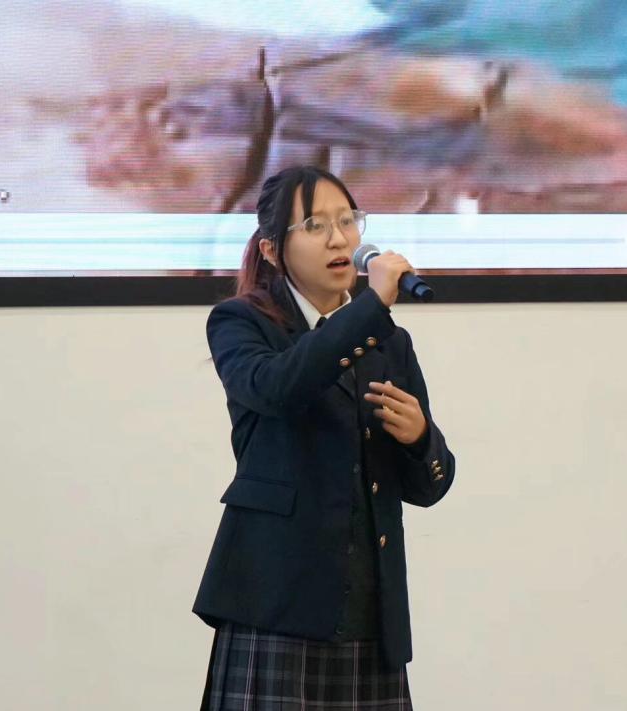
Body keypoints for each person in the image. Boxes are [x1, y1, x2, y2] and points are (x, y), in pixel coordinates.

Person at [194, 165, 456, 710]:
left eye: (347, 221)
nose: (339, 239)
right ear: (272, 250)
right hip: (275, 607)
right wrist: (370, 308)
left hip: (370, 616)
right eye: (315, 225)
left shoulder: (389, 342)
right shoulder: (241, 323)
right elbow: (279, 388)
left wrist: (419, 439)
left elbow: (429, 486)